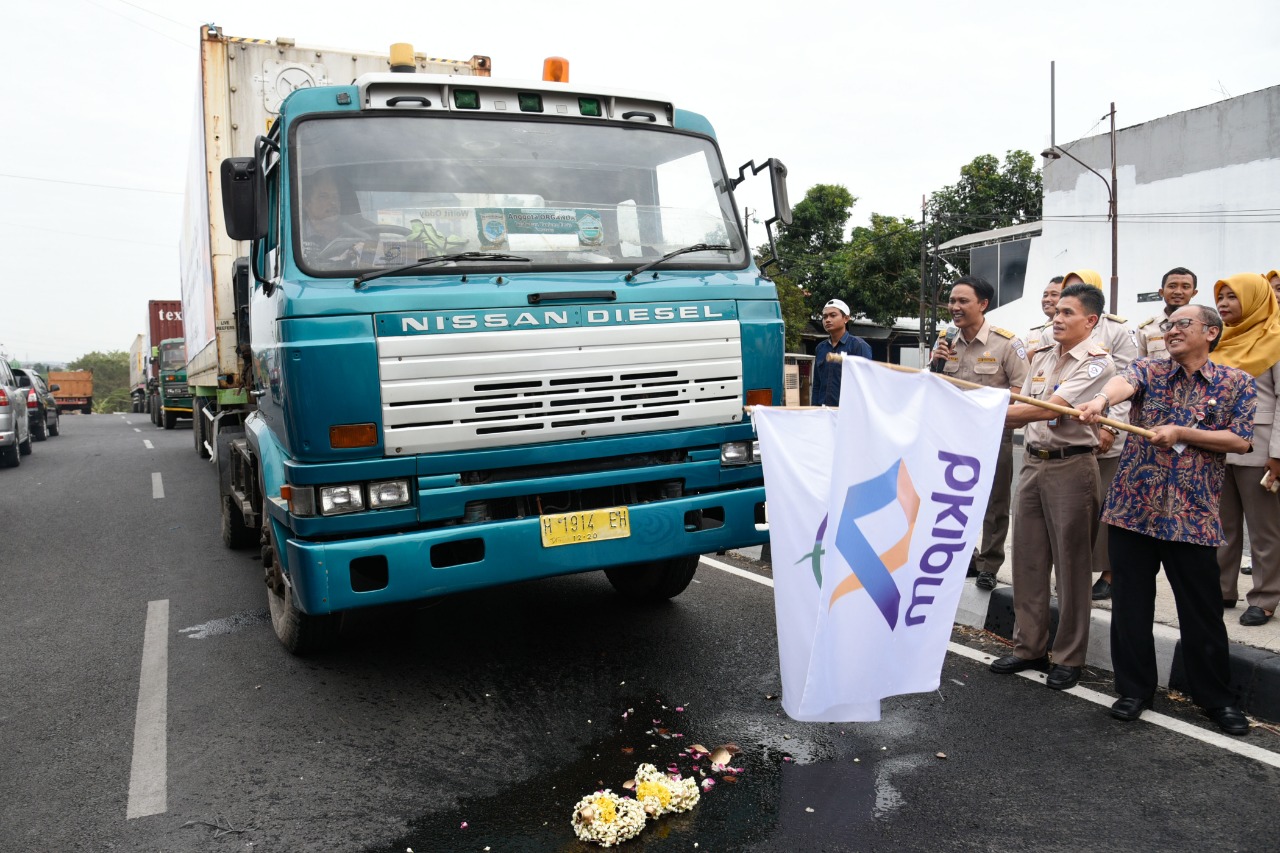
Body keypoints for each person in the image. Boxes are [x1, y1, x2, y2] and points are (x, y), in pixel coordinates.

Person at [1078, 304, 1255, 735]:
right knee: (1131, 607)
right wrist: (1100, 400)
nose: (1172, 330)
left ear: (1210, 332)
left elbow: (1239, 440)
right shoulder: (1149, 369)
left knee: (1202, 611)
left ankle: (1215, 698)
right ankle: (1134, 691)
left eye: (1182, 324)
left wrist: (1182, 432)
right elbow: (1123, 383)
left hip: (1193, 517)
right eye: (1168, 325)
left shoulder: (1236, 382)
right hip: (1133, 511)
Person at [989, 283, 1115, 691]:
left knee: (1072, 567)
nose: (1057, 318)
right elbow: (1022, 406)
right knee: (1027, 561)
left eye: (1067, 313)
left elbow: (1042, 410)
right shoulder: (1042, 355)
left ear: (1090, 321)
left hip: (1071, 467)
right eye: (1056, 311)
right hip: (1033, 464)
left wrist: (984, 411)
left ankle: (1068, 656)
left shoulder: (1097, 364)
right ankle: (1029, 647)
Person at [930, 275, 1028, 591]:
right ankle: (964, 557)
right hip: (951, 436)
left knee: (994, 502)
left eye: (963, 301)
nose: (954, 307)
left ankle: (989, 564)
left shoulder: (1007, 343)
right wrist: (935, 365)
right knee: (951, 499)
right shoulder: (944, 340)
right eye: (952, 301)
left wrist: (986, 409)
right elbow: (932, 387)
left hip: (991, 435)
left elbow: (1022, 389)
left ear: (983, 304)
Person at [1061, 269, 1139, 602]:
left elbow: (1127, 382)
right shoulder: (1055, 329)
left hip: (1107, 429)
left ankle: (1108, 572)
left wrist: (1110, 426)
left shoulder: (1118, 330)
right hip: (1070, 431)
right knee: (1074, 509)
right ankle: (1073, 573)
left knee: (1108, 504)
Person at [1211, 273, 1280, 626]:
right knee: (1222, 525)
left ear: (1255, 298)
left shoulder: (1276, 338)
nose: (1223, 304)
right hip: (1218, 445)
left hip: (1260, 449)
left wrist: (1277, 454)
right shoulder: (1221, 340)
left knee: (1264, 528)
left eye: (1232, 297)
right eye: (1220, 297)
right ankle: (1223, 589)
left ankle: (1265, 597)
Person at [810, 299, 872, 406]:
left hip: (849, 410)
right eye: (825, 317)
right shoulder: (820, 348)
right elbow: (817, 384)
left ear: (846, 318)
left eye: (833, 315)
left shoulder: (858, 346)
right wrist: (815, 408)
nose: (827, 320)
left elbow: (866, 383)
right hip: (824, 410)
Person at [1136, 268, 1198, 358]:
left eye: (1185, 287)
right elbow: (1139, 363)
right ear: (1161, 292)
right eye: (1172, 286)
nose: (1178, 292)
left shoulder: (1201, 326)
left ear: (1194, 293)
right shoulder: (1146, 329)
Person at [1023, 276, 1063, 351]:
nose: (1047, 299)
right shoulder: (1033, 333)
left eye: (1054, 294)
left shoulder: (1070, 330)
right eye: (1045, 295)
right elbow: (1020, 357)